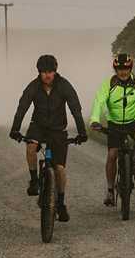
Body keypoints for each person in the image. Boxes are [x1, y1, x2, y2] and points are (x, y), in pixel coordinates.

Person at [9, 54, 87, 223]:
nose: (47, 75)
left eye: (50, 71)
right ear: (39, 72)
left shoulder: (64, 85)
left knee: (59, 169)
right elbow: (22, 107)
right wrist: (15, 129)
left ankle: (61, 203)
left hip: (58, 129)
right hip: (38, 126)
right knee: (30, 147)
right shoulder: (33, 86)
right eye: (43, 72)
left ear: (55, 71)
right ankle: (34, 181)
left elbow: (75, 108)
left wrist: (82, 132)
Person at [90, 53, 135, 206]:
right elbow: (99, 101)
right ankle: (109, 190)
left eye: (126, 68)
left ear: (130, 68)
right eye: (120, 68)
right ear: (115, 69)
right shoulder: (108, 83)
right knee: (112, 154)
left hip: (134, 120)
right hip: (115, 122)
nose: (123, 72)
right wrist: (95, 119)